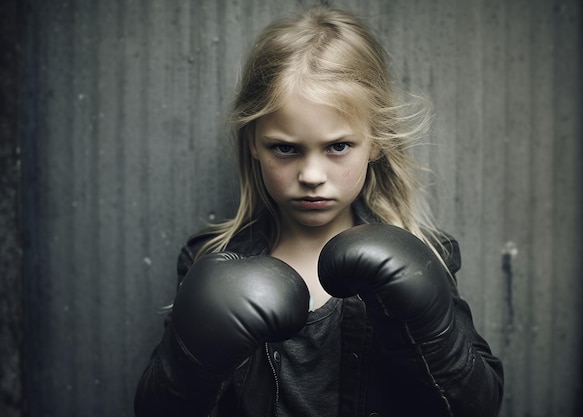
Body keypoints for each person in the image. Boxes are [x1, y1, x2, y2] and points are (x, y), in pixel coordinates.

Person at [134, 6, 503, 417]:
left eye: (338, 146)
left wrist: (425, 324)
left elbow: (478, 405)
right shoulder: (211, 259)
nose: (311, 175)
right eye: (285, 148)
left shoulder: (422, 256)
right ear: (252, 142)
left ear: (376, 142)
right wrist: (195, 357)